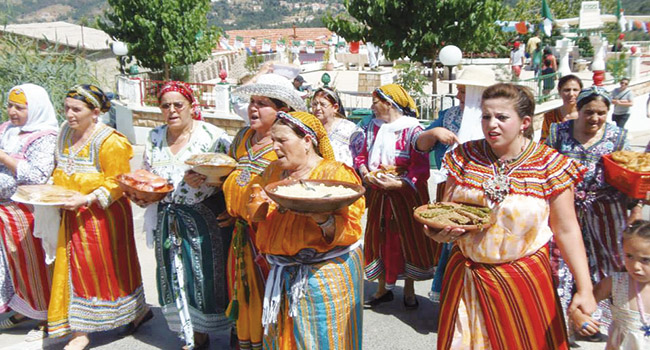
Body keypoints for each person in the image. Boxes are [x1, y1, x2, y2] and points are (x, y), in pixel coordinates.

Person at [429, 83, 596, 349]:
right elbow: (445, 212)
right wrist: (437, 232)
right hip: (466, 281)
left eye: (502, 117)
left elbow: (567, 230)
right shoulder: (464, 156)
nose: (491, 125)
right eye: (486, 116)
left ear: (524, 122)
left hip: (522, 280)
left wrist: (585, 289)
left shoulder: (548, 164)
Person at [125, 81, 234, 350]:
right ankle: (195, 333)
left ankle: (230, 328)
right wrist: (140, 194)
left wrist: (210, 182)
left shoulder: (213, 136)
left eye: (178, 105)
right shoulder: (154, 137)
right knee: (175, 273)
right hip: (167, 217)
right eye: (165, 105)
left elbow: (232, 176)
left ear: (191, 106)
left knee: (208, 276)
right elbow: (147, 176)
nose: (171, 110)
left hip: (205, 218)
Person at [249, 111, 364, 349]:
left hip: (322, 276)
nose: (275, 148)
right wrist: (255, 204)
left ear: (307, 141)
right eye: (273, 141)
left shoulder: (335, 175)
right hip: (281, 272)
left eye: (282, 140)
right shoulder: (272, 172)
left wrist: (323, 220)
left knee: (321, 340)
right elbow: (256, 214)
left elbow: (351, 227)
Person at [48, 85, 149, 350]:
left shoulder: (110, 141)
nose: (69, 114)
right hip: (70, 215)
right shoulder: (64, 133)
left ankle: (126, 314)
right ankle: (79, 329)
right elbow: (60, 167)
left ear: (95, 112)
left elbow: (118, 183)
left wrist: (87, 198)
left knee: (106, 268)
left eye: (76, 109)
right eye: (66, 108)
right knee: (73, 270)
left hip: (102, 218)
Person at [546, 86, 642, 339]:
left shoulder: (617, 136)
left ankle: (596, 321)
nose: (595, 118)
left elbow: (630, 175)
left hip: (607, 212)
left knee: (609, 264)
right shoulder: (559, 133)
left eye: (601, 113)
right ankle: (564, 319)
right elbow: (543, 166)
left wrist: (636, 207)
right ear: (578, 109)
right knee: (561, 262)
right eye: (589, 111)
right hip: (565, 210)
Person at [224, 72, 306, 349]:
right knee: (244, 293)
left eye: (262, 103)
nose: (253, 108)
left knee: (269, 295)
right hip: (240, 233)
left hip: (269, 237)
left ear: (281, 110)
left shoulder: (285, 146)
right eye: (252, 102)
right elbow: (231, 174)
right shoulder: (243, 136)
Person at [414, 66, 496, 302]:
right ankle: (453, 300)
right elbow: (419, 144)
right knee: (452, 246)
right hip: (450, 189)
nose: (459, 96)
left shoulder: (494, 122)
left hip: (485, 195)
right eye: (459, 91)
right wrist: (435, 133)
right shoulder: (449, 116)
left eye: (463, 91)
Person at [356, 84, 439, 309]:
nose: (372, 107)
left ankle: (409, 289)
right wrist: (365, 173)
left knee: (407, 238)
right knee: (380, 236)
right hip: (380, 193)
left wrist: (400, 183)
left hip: (406, 194)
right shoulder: (370, 128)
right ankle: (383, 287)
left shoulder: (413, 130)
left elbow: (420, 168)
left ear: (389, 103)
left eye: (375, 102)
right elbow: (361, 155)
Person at [0, 84, 58, 340]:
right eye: (10, 105)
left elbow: (36, 175)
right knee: (12, 266)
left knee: (34, 266)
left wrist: (3, 157)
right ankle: (24, 308)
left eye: (20, 108)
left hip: (27, 213)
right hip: (5, 210)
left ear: (34, 109)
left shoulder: (45, 136)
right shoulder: (7, 130)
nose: (12, 112)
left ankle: (47, 316)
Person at [570, 220, 650, 349]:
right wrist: (579, 316)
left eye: (645, 260)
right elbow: (584, 303)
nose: (635, 266)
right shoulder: (617, 283)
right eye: (629, 256)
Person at [310, 87, 363, 167]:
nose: (317, 108)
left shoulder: (349, 129)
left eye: (323, 104)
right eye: (314, 104)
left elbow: (361, 155)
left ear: (335, 108)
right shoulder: (309, 128)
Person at [539, 74, 583, 143]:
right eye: (567, 90)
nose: (571, 94)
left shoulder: (585, 115)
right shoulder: (550, 116)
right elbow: (544, 141)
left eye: (575, 90)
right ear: (559, 91)